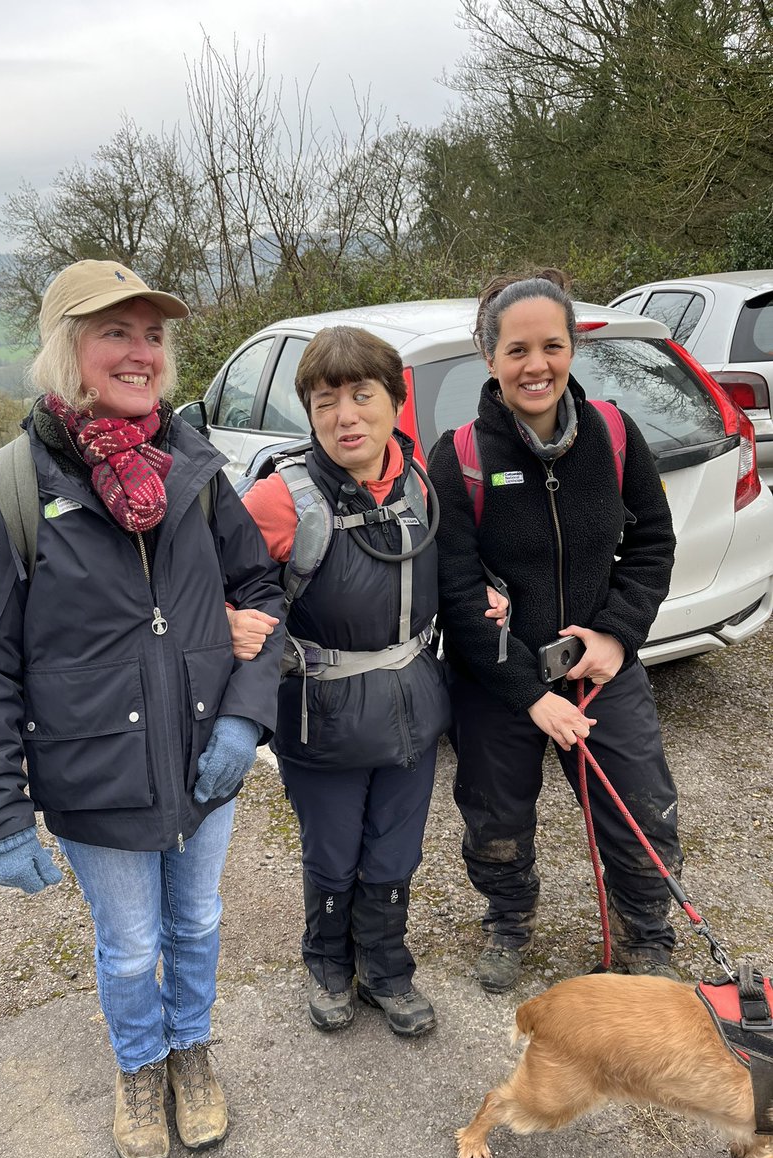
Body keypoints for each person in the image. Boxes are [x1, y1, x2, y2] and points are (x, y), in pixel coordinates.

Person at [0, 260, 285, 1158]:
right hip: (95, 775)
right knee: (131, 946)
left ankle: (191, 1047)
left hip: (206, 756)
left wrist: (247, 719)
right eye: (115, 333)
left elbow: (260, 589)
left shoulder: (197, 468)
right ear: (68, 348)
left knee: (200, 924)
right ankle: (142, 1064)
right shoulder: (6, 487)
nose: (141, 353)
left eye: (154, 335)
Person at [240, 326, 506, 1037]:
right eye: (326, 402)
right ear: (310, 413)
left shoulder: (421, 484)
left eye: (363, 395)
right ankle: (328, 963)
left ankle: (386, 968)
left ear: (396, 400)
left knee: (396, 850)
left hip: (413, 711)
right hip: (320, 719)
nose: (345, 416)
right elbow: (213, 584)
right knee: (332, 852)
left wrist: (485, 597)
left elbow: (447, 575)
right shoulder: (278, 502)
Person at [428, 270, 684, 994]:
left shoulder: (613, 434)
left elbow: (653, 543)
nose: (535, 365)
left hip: (600, 671)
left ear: (571, 347)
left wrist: (617, 636)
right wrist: (525, 692)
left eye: (551, 346)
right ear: (490, 357)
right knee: (495, 819)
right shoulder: (460, 458)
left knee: (641, 811)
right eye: (516, 350)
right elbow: (453, 588)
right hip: (498, 681)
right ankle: (508, 923)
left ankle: (646, 935)